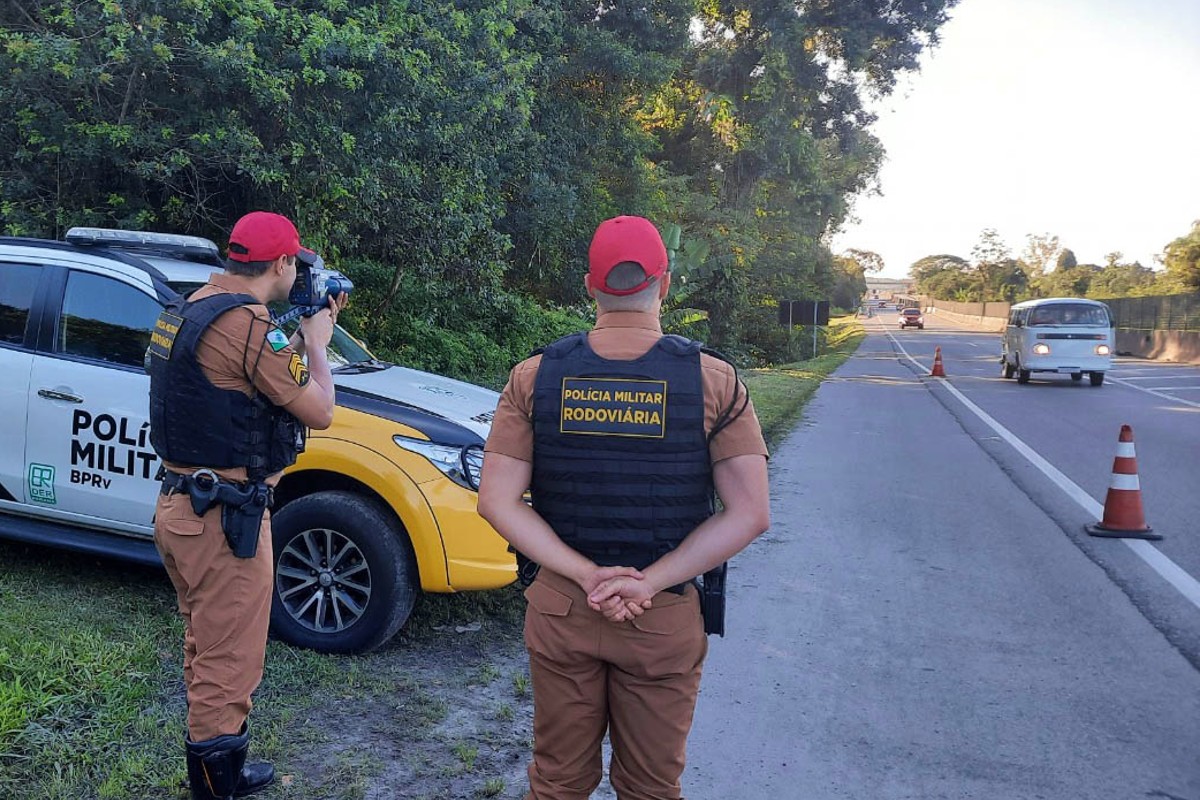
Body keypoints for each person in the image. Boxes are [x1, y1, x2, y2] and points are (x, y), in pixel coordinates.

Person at [478, 215, 771, 800]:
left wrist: (586, 575)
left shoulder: (535, 377)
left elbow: (497, 501)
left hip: (563, 607)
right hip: (660, 613)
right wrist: (647, 583)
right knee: (651, 789)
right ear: (664, 285)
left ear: (590, 285)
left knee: (557, 783)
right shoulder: (714, 381)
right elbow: (750, 513)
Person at [147, 211, 342, 800]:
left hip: (181, 509)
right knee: (228, 663)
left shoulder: (188, 307)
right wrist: (317, 343)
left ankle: (219, 767)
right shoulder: (252, 327)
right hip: (224, 521)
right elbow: (320, 410)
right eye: (294, 262)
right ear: (281, 263)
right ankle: (216, 787)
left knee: (205, 647)